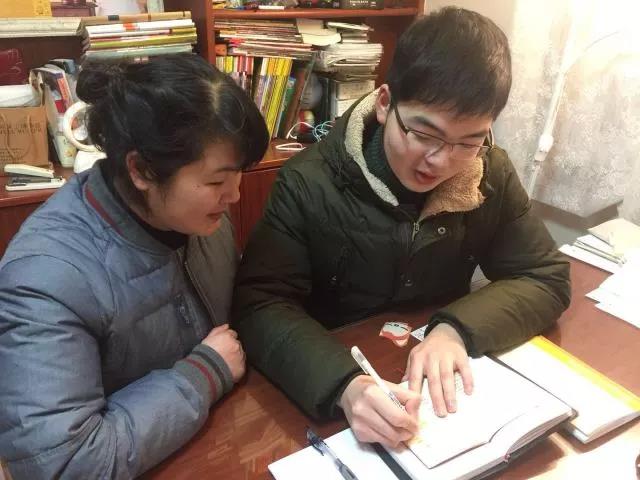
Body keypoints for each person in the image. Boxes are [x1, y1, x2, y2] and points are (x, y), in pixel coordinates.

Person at [232, 7, 571, 449]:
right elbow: (260, 306)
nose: (441, 160)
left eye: (469, 141)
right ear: (385, 103)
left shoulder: (488, 173)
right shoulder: (308, 182)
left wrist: (455, 330)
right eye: (424, 134)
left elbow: (544, 276)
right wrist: (345, 385)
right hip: (333, 391)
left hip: (438, 384)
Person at [0, 55, 269, 478]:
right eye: (217, 181)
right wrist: (205, 372)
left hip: (213, 444)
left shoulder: (197, 214)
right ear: (142, 169)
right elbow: (63, 464)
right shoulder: (45, 277)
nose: (234, 194)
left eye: (237, 174)